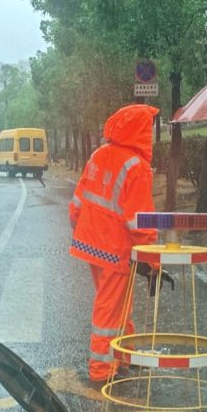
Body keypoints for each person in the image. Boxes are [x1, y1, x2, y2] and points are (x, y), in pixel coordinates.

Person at [69, 104, 159, 383]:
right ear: (141, 132)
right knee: (110, 308)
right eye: (149, 129)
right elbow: (140, 222)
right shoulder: (137, 167)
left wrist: (83, 230)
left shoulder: (99, 154)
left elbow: (76, 204)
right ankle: (101, 370)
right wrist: (153, 260)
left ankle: (125, 354)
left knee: (119, 303)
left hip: (90, 244)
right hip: (114, 249)